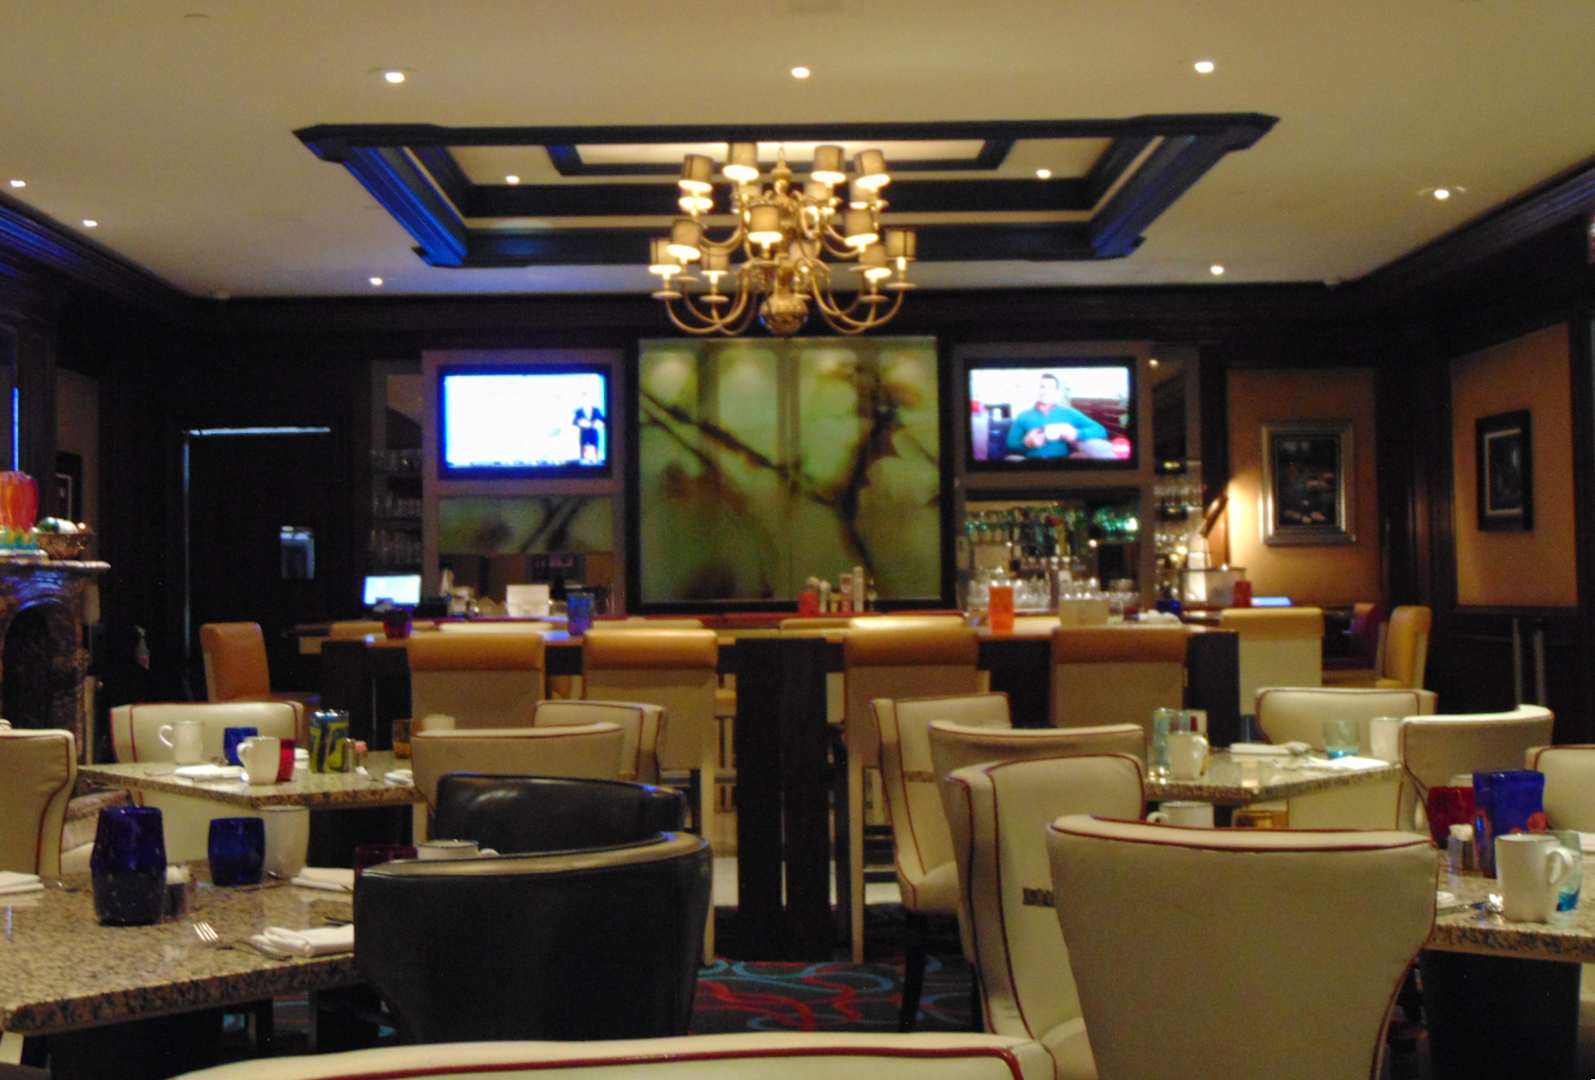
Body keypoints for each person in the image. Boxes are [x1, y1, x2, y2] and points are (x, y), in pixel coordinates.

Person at [1005, 373, 1114, 459]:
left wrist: (1076, 433)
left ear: (1056, 392)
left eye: (1050, 387)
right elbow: (1010, 445)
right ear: (1036, 390)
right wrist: (1026, 444)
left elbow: (1101, 431)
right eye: (1042, 387)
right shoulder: (1023, 416)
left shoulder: (1069, 413)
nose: (1045, 391)